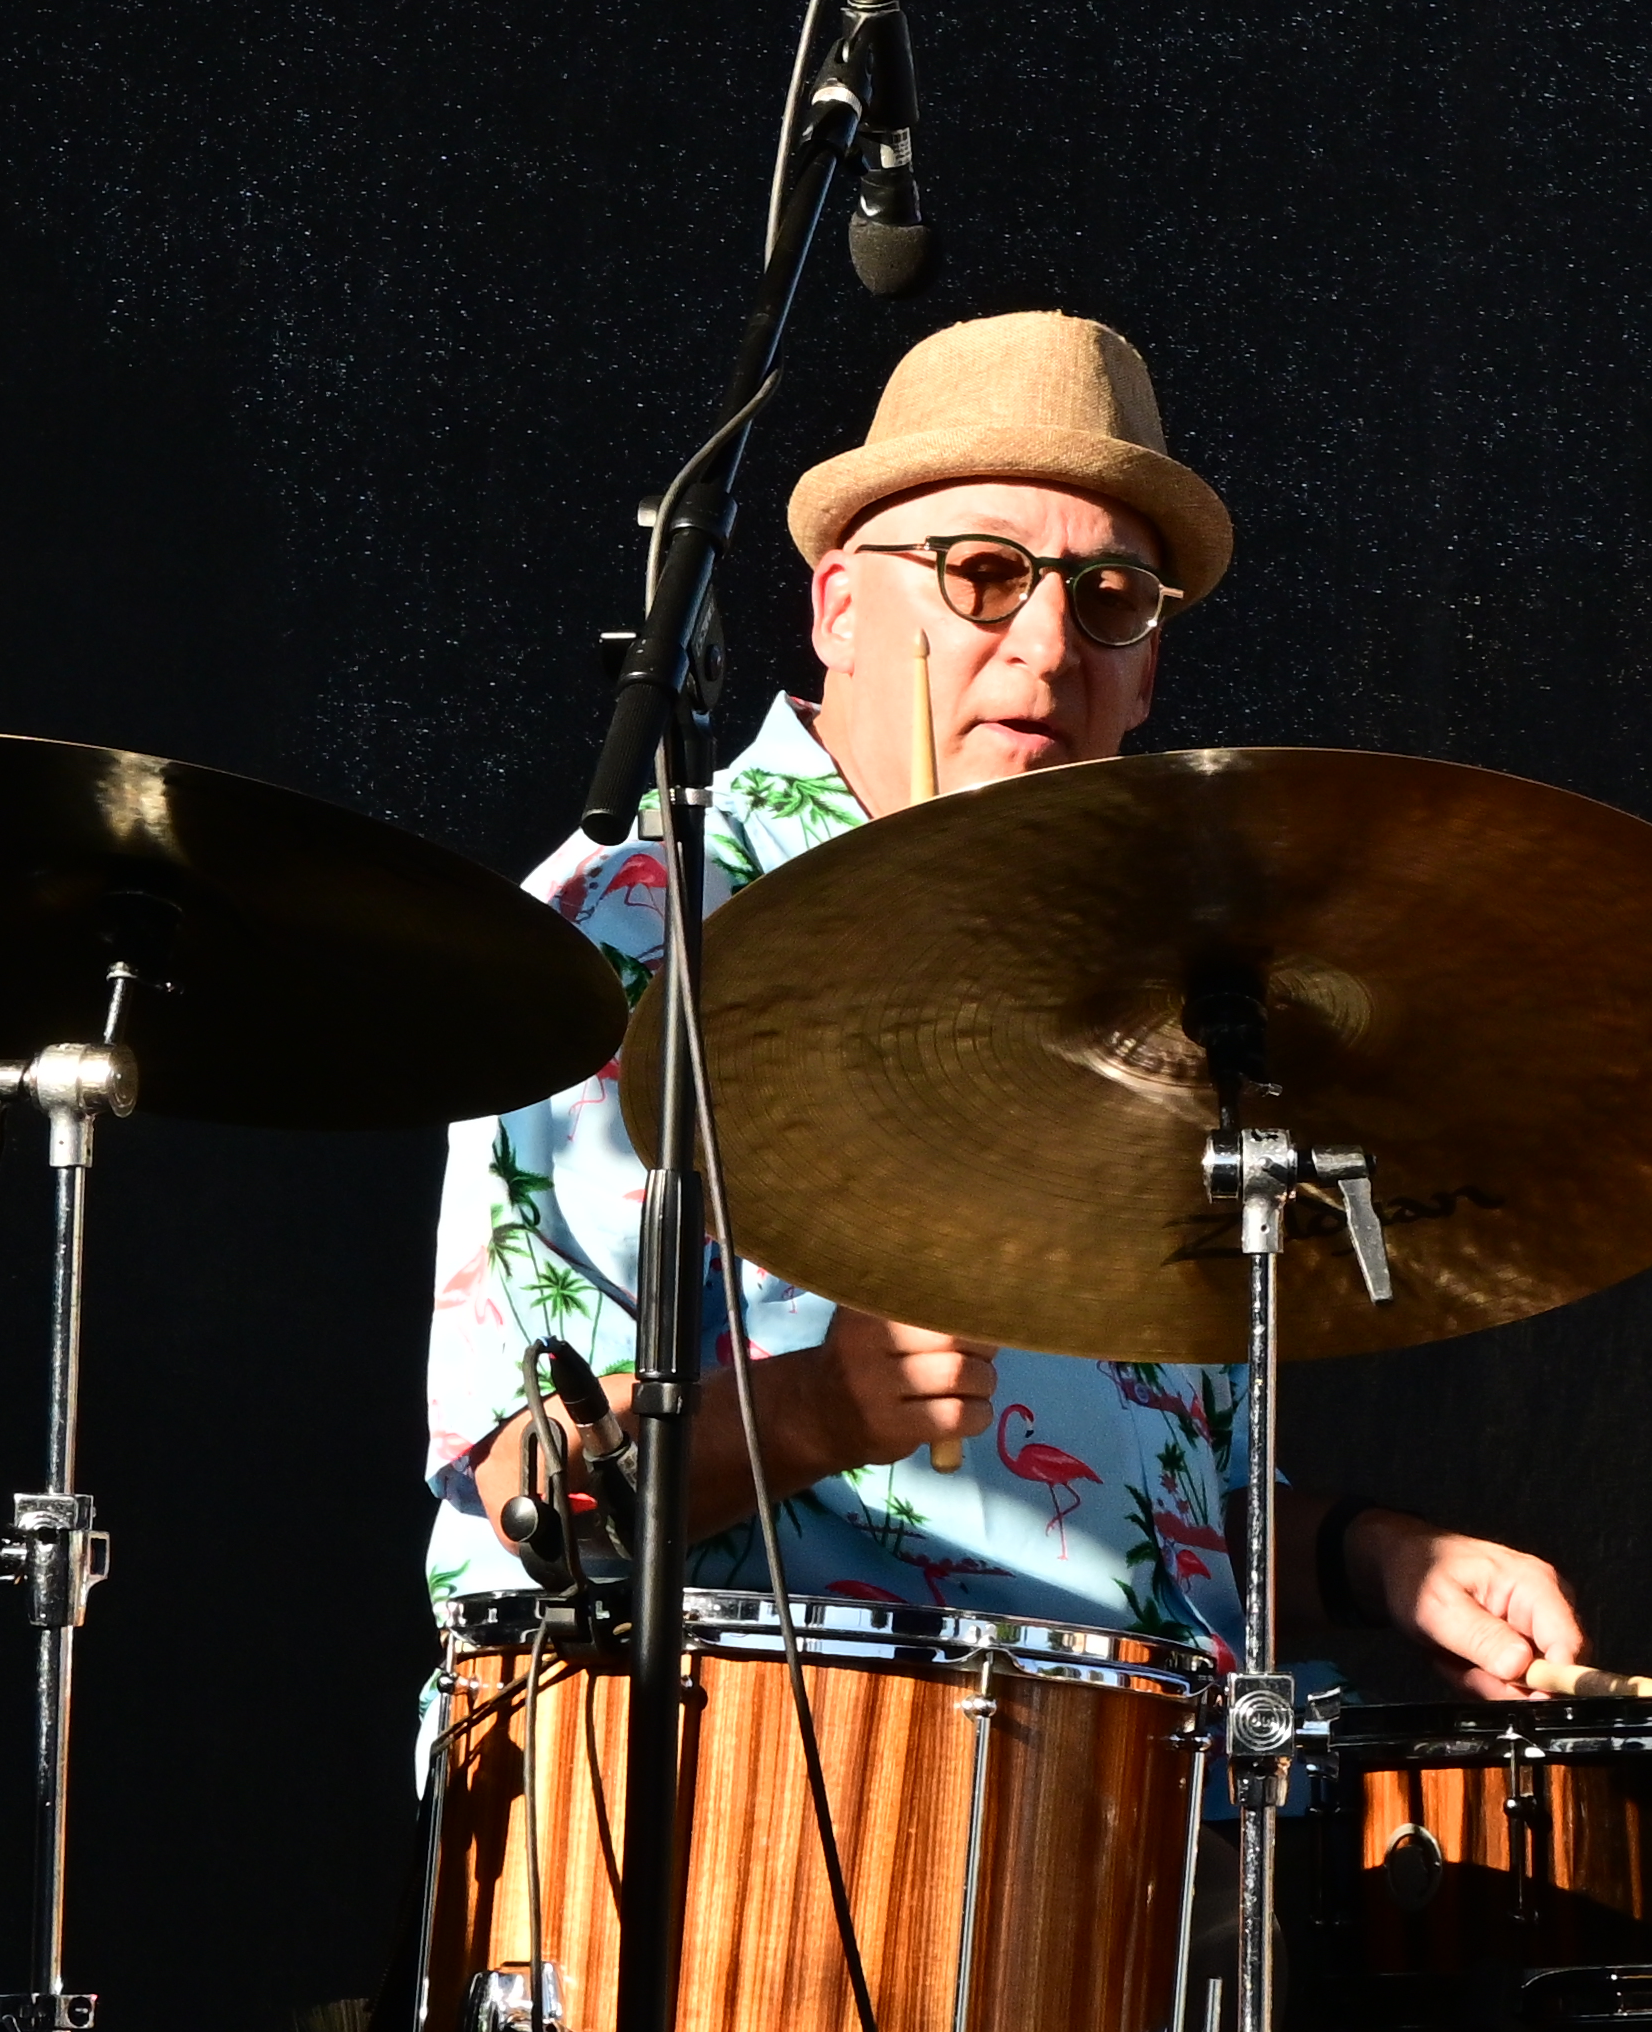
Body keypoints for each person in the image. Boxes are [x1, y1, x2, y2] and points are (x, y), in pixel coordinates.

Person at [417, 308, 1584, 1689]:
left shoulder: (1167, 991)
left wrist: (1385, 1559)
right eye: (983, 576)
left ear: (1149, 671)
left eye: (1107, 604)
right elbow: (530, 1498)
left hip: (1137, 1828)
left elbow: (1143, 1532)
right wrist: (808, 1414)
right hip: (763, 1815)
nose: (1044, 652)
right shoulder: (635, 928)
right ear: (841, 607)